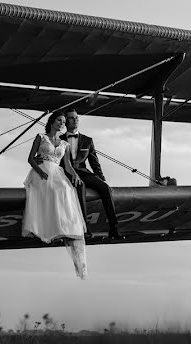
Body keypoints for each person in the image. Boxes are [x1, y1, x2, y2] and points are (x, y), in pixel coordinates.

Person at [22, 111, 87, 278]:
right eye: (59, 120)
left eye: (64, 122)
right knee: (50, 190)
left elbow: (67, 166)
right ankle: (46, 226)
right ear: (51, 121)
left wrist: (75, 175)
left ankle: (65, 226)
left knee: (66, 190)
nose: (62, 124)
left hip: (57, 173)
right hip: (41, 171)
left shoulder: (64, 144)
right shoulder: (40, 137)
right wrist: (40, 172)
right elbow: (30, 158)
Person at [60, 107, 124, 240]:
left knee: (105, 189)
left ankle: (114, 229)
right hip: (65, 173)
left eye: (77, 117)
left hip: (83, 172)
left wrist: (101, 178)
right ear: (66, 121)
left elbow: (94, 162)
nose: (75, 120)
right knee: (80, 187)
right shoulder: (58, 139)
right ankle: (84, 228)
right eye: (71, 118)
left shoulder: (88, 140)